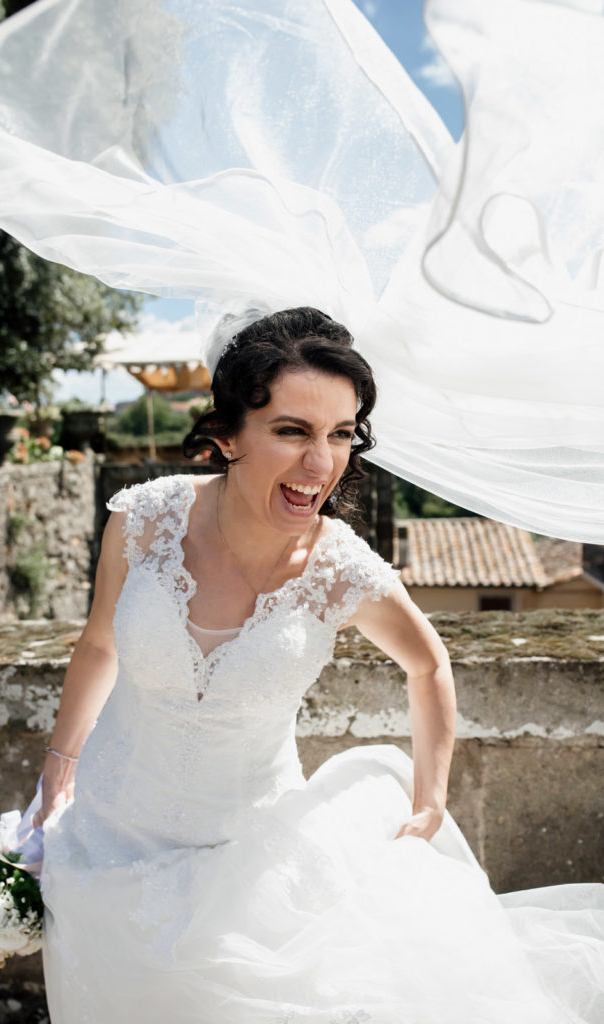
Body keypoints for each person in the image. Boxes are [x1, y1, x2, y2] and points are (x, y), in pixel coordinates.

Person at [32, 307, 602, 1023]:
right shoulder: (143, 520)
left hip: (246, 867)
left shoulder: (340, 567)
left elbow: (428, 667)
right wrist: (59, 765)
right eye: (292, 431)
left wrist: (429, 800)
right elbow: (99, 644)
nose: (320, 463)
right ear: (227, 433)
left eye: (339, 434)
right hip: (107, 844)